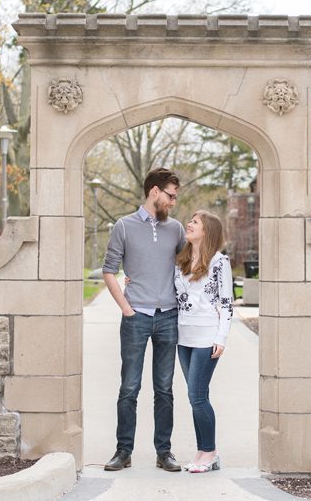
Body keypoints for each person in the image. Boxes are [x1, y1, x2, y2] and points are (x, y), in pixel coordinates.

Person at [101, 167, 186, 472]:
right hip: (135, 317)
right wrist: (125, 307)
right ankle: (123, 451)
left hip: (168, 318)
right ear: (154, 192)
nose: (173, 202)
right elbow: (108, 269)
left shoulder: (176, 229)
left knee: (164, 388)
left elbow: (187, 268)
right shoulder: (123, 227)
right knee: (130, 387)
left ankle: (164, 452)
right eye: (171, 196)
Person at [173, 210, 234, 473]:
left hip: (207, 336)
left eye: (195, 222)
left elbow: (226, 302)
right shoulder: (181, 260)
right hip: (183, 336)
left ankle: (210, 452)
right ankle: (202, 451)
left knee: (197, 396)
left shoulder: (220, 262)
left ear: (207, 230)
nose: (189, 224)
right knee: (196, 396)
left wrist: (221, 337)